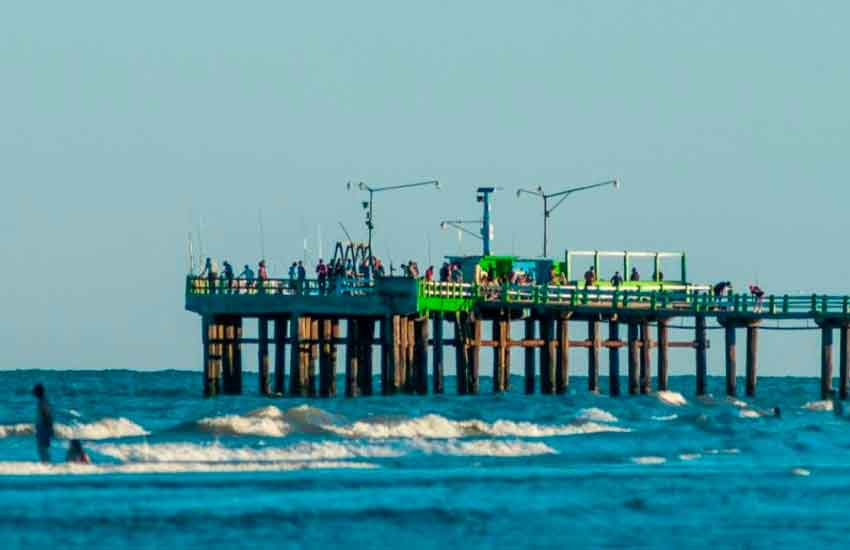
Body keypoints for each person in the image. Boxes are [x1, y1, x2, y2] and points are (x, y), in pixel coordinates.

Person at [33, 383, 54, 463]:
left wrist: (48, 428)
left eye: (35, 391)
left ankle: (47, 465)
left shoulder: (42, 402)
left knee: (42, 448)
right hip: (43, 428)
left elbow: (47, 415)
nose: (34, 393)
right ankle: (46, 464)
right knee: (43, 448)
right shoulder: (43, 401)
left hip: (43, 428)